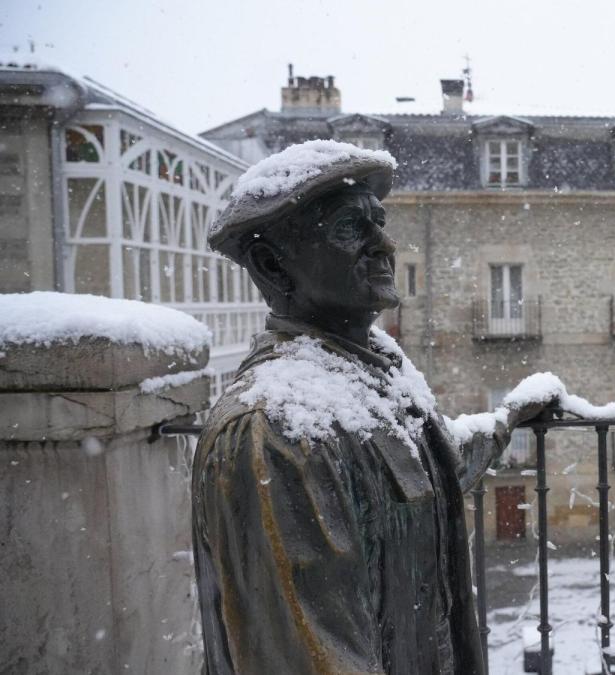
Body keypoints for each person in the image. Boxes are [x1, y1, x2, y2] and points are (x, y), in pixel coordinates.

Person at [193, 140, 550, 674]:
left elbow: (434, 472)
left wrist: (510, 416)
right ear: (273, 266)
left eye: (378, 224)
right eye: (349, 228)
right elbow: (312, 657)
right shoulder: (276, 427)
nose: (384, 245)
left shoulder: (374, 370)